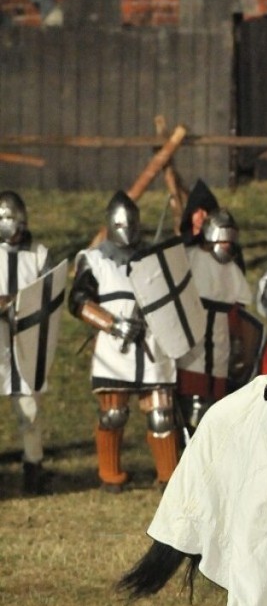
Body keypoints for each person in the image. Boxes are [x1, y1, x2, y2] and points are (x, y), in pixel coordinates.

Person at [69, 191, 179, 491]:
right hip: (115, 349)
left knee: (161, 417)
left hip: (153, 346)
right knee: (113, 415)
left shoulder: (155, 257)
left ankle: (168, 477)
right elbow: (78, 301)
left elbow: (174, 297)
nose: (128, 231)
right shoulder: (94, 259)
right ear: (110, 225)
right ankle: (110, 475)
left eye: (133, 224)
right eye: (122, 225)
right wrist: (113, 324)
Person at [176, 209, 253, 436]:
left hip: (220, 339)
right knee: (193, 398)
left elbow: (238, 309)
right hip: (193, 334)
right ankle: (187, 448)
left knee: (216, 401)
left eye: (231, 239)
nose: (228, 244)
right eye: (224, 237)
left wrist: (239, 340)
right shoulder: (189, 257)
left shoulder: (231, 269)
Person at [0, 191, 54, 494]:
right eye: (13, 223)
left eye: (22, 223)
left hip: (26, 341)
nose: (19, 230)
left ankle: (33, 469)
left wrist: (23, 306)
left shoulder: (38, 253)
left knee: (29, 410)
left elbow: (49, 297)